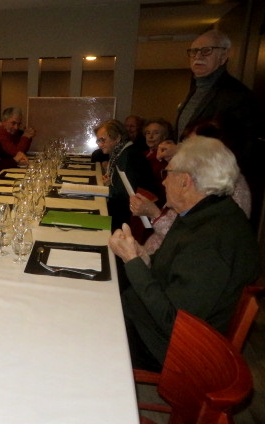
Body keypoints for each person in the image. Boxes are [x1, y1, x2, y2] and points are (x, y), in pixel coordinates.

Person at [109, 136, 259, 371]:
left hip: (168, 348)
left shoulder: (213, 239)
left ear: (185, 181)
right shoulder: (201, 214)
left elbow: (174, 323)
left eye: (167, 174)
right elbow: (169, 267)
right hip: (151, 322)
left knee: (85, 324)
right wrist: (142, 256)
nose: (164, 182)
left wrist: (133, 262)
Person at [174, 30, 261, 221]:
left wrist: (185, 153)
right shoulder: (197, 90)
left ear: (224, 56)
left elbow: (238, 152)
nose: (198, 56)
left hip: (213, 191)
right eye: (194, 51)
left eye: (206, 51)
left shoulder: (237, 96)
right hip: (190, 184)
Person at [95, 119, 156, 230]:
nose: (100, 145)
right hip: (125, 212)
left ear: (117, 138)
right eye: (98, 141)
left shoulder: (128, 156)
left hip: (131, 220)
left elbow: (126, 196)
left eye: (102, 140)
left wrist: (108, 188)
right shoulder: (121, 152)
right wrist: (111, 182)